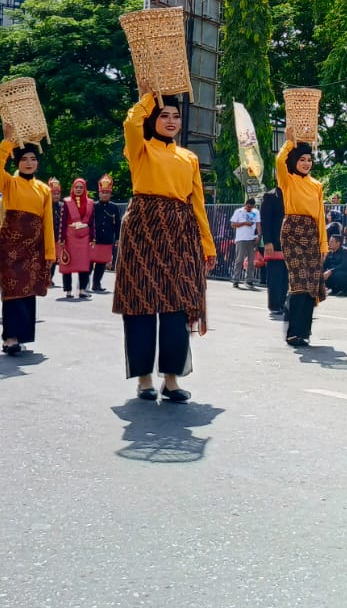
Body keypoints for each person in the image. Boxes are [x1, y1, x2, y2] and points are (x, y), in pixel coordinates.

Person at [115, 93, 214, 401]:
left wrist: (207, 243)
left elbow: (197, 203)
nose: (171, 121)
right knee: (140, 305)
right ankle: (144, 378)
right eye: (164, 115)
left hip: (181, 232)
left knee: (177, 308)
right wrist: (148, 97)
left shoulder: (189, 158)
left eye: (175, 116)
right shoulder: (140, 148)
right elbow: (131, 123)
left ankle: (171, 379)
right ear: (153, 120)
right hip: (142, 230)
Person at [0, 126, 55, 354]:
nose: (29, 163)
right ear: (17, 162)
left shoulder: (44, 189)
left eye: (33, 159)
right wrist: (8, 141)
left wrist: (49, 253)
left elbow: (48, 223)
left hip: (33, 248)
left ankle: (22, 335)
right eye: (24, 159)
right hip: (10, 248)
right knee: (11, 292)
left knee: (28, 291)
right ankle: (10, 337)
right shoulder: (9, 183)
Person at [276, 139, 328, 347]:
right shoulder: (287, 180)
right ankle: (293, 333)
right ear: (295, 161)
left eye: (309, 160)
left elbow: (321, 216)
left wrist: (323, 244)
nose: (306, 163)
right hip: (292, 232)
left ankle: (304, 332)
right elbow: (279, 160)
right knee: (299, 280)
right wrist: (290, 141)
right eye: (302, 160)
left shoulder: (317, 185)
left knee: (311, 284)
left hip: (312, 233)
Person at [59, 178, 94, 299]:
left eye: (81, 187)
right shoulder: (67, 202)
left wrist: (93, 237)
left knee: (84, 264)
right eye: (76, 187)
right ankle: (68, 290)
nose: (78, 189)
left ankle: (82, 290)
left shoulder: (90, 203)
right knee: (67, 264)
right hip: (70, 236)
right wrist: (62, 238)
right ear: (73, 188)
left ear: (85, 189)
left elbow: (92, 222)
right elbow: (63, 221)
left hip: (84, 237)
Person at [89, 175, 121, 295]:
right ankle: (84, 283)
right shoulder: (93, 206)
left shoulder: (114, 207)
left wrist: (117, 238)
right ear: (99, 193)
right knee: (89, 262)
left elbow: (117, 224)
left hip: (107, 238)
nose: (105, 195)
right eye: (103, 192)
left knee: (101, 263)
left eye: (107, 193)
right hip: (94, 238)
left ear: (110, 194)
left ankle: (96, 284)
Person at [259, 183, 287, 318]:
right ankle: (274, 305)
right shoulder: (270, 196)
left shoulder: (294, 194)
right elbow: (265, 221)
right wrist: (267, 241)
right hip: (274, 242)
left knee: (286, 276)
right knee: (275, 275)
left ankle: (282, 303)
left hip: (290, 242)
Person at [229, 198, 261, 288]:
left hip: (251, 238)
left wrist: (259, 235)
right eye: (248, 207)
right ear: (245, 204)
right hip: (241, 239)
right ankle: (236, 279)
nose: (249, 209)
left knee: (251, 260)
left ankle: (249, 280)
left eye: (251, 207)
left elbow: (258, 224)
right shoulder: (239, 212)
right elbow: (233, 224)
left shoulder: (256, 212)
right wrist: (244, 223)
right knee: (239, 260)